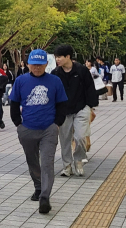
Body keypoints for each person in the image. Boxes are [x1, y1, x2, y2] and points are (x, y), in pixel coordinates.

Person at [10, 49, 67, 214]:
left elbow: (62, 104)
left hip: (49, 128)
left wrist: (57, 123)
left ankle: (44, 196)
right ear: (28, 64)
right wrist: (18, 124)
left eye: (40, 65)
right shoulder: (21, 81)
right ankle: (38, 186)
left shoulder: (55, 81)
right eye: (34, 65)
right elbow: (14, 103)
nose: (37, 68)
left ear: (46, 64)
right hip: (27, 128)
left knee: (47, 162)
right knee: (32, 160)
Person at [51, 45, 98, 177]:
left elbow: (90, 88)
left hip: (81, 108)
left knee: (81, 137)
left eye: (59, 57)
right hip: (63, 111)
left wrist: (90, 106)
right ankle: (67, 166)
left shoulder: (82, 70)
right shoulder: (55, 73)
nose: (57, 59)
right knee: (65, 140)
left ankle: (78, 160)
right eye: (56, 57)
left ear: (68, 56)